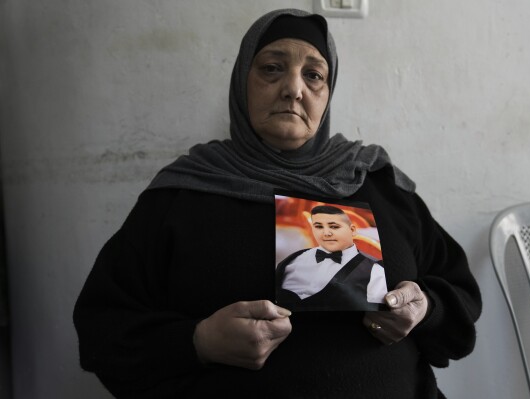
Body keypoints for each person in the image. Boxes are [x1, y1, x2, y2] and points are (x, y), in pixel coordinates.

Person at [73, 8, 482, 398]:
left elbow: (459, 294)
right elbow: (103, 328)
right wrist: (199, 341)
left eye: (314, 75)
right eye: (271, 68)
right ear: (241, 81)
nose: (293, 88)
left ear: (328, 91)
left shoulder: (378, 183)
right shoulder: (186, 191)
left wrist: (424, 307)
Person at [276, 205, 388, 311]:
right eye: (319, 227)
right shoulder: (295, 259)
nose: (326, 233)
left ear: (352, 230)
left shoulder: (375, 271)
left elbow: (375, 314)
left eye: (334, 227)